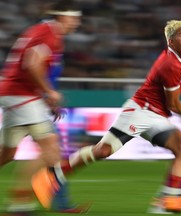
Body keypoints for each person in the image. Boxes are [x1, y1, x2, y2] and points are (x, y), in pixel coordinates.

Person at [32, 19, 181, 214]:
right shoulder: (169, 64)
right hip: (140, 112)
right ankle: (52, 176)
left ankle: (169, 198)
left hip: (156, 115)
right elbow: (173, 104)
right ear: (171, 41)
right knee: (103, 151)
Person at [0, 0, 83, 215]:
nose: (77, 22)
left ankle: (51, 203)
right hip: (22, 96)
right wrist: (49, 92)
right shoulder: (50, 34)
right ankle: (20, 204)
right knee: (51, 151)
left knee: (7, 154)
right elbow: (32, 64)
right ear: (62, 17)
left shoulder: (43, 31)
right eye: (74, 17)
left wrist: (45, 98)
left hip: (16, 95)